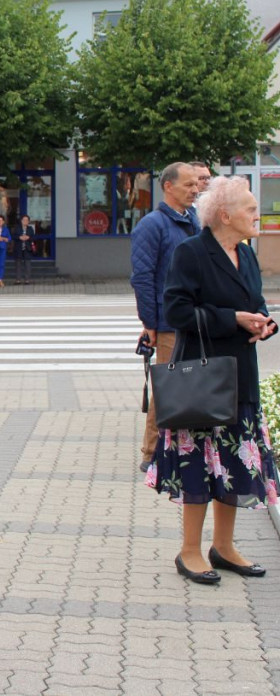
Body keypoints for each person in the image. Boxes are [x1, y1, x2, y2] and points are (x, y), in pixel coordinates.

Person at [148, 176, 278, 584]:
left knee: (235, 461)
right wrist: (232, 319)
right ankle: (189, 551)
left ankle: (223, 547)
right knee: (200, 465)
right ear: (225, 215)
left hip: (241, 374)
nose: (257, 215)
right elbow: (177, 311)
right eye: (250, 209)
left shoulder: (247, 253)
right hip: (203, 378)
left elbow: (255, 301)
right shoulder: (192, 252)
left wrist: (264, 323)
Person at [130, 162, 199, 471]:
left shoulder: (194, 220)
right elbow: (142, 277)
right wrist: (150, 324)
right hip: (169, 321)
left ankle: (184, 447)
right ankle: (152, 452)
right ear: (168, 187)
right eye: (188, 185)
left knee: (192, 384)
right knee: (167, 386)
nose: (195, 190)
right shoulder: (152, 224)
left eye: (196, 184)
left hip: (196, 317)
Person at [11, 214, 36, 285]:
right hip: (18, 248)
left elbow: (33, 237)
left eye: (26, 220)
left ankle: (27, 280)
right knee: (18, 264)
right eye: (24, 220)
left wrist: (28, 237)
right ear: (21, 221)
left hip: (27, 248)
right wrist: (19, 237)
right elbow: (13, 236)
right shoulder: (17, 228)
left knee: (28, 264)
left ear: (28, 221)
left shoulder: (30, 229)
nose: (25, 221)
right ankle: (18, 280)